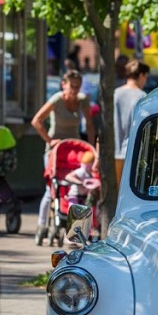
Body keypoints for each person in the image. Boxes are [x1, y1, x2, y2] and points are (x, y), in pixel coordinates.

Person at [31, 70, 95, 231]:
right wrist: (49, 140)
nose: (74, 90)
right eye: (71, 86)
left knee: (77, 188)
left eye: (78, 87)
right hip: (56, 150)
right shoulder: (57, 99)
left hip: (74, 150)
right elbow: (36, 121)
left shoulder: (82, 100)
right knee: (51, 188)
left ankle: (75, 227)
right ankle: (42, 225)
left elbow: (89, 125)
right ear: (63, 85)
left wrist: (92, 149)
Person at [113, 59, 149, 182]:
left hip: (113, 149)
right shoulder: (142, 96)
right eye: (146, 77)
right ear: (141, 75)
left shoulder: (115, 94)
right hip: (133, 151)